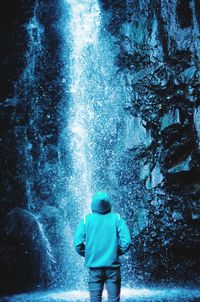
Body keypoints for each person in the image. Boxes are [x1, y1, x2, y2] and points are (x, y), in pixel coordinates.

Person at [74, 191, 132, 302]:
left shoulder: (86, 220)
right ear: (109, 204)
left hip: (94, 269)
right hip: (113, 268)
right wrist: (116, 252)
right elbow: (127, 242)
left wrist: (89, 253)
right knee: (114, 299)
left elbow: (77, 244)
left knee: (95, 299)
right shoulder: (117, 218)